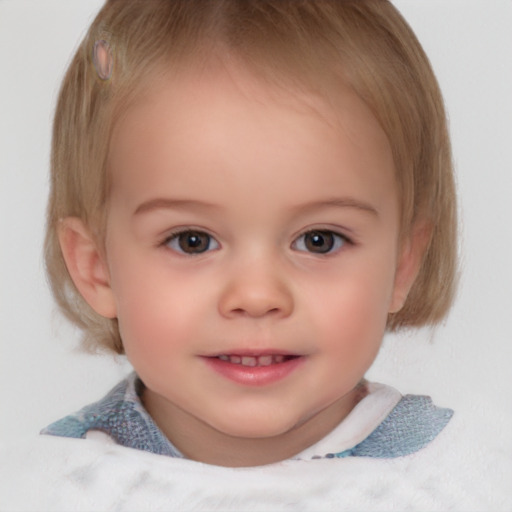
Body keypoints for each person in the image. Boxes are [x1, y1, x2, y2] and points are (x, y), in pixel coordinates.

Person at [41, 0, 457, 468]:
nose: (257, 296)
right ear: (97, 269)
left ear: (404, 264)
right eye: (191, 240)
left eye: (319, 240)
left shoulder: (459, 476)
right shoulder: (55, 481)